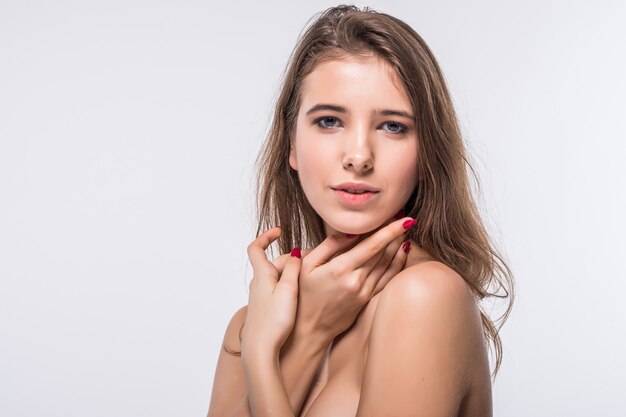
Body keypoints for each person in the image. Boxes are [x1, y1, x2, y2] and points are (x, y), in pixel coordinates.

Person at [207, 5, 514, 417]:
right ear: (292, 146)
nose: (358, 156)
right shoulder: (251, 322)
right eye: (330, 120)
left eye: (393, 126)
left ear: (426, 151)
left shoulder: (424, 297)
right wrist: (307, 335)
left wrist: (263, 356)